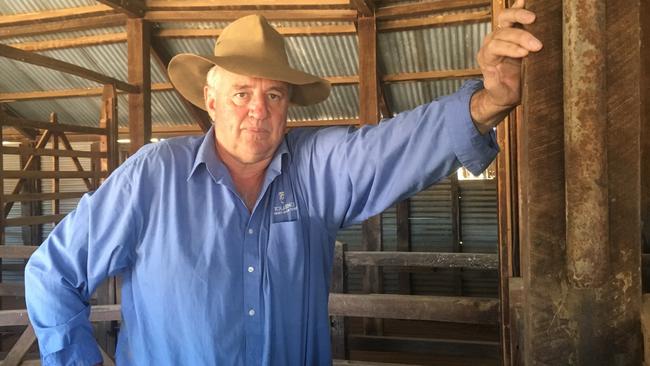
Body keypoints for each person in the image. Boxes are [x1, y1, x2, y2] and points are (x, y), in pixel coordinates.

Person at [25, 1, 542, 365]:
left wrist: (488, 103)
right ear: (209, 99)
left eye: (274, 96)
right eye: (241, 93)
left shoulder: (314, 167)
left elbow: (395, 147)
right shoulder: (154, 175)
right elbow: (53, 274)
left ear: (288, 107)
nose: (258, 111)